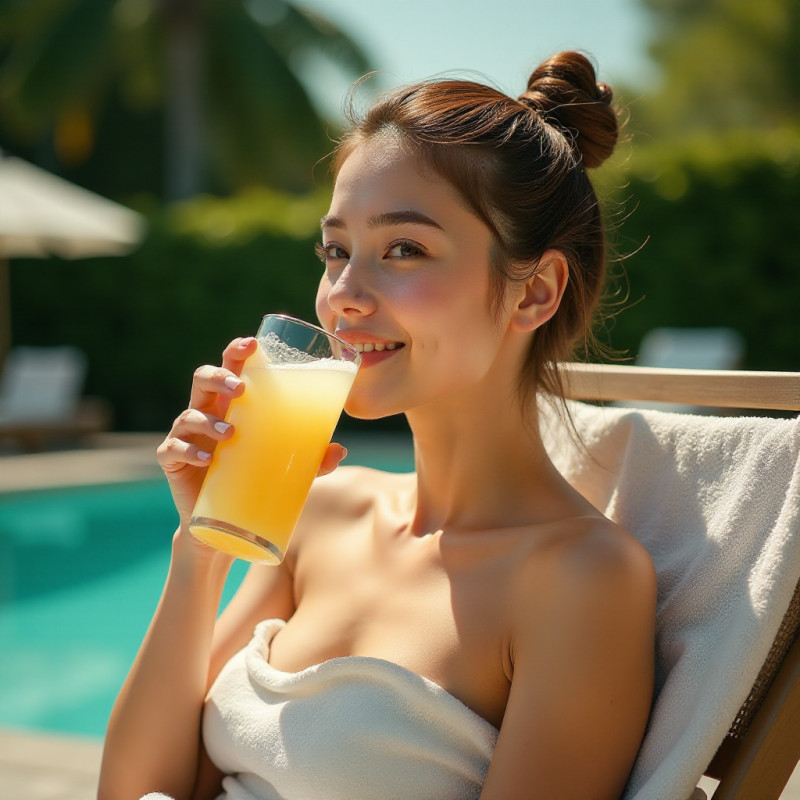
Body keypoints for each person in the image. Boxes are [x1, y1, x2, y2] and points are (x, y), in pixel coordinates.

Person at [99, 50, 656, 800]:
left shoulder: (580, 579)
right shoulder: (320, 514)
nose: (344, 296)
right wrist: (200, 547)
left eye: (404, 249)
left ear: (535, 292)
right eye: (336, 251)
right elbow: (134, 790)